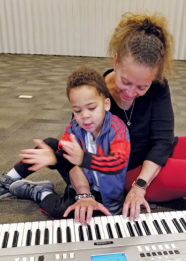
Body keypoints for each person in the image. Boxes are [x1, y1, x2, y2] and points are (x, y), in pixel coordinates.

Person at [100, 12, 186, 221]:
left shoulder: (158, 85)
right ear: (116, 61)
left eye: (142, 86)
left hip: (157, 154)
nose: (131, 93)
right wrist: (139, 186)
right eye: (126, 82)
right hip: (131, 172)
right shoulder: (94, 93)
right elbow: (77, 148)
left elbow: (163, 139)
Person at [0, 66, 130, 224]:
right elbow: (69, 162)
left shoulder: (117, 128)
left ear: (106, 104)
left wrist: (83, 159)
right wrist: (55, 160)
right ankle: (7, 180)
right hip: (81, 182)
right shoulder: (75, 127)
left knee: (66, 215)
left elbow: (118, 162)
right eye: (77, 110)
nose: (85, 116)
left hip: (107, 197)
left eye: (91, 108)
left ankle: (41, 192)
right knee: (48, 146)